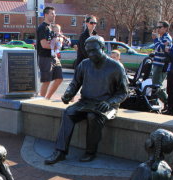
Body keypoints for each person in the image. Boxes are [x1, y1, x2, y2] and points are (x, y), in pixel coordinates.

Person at [45, 36, 128, 164]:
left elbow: (123, 92)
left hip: (106, 104)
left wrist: (109, 102)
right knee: (68, 113)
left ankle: (90, 152)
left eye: (94, 51)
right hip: (86, 102)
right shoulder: (84, 64)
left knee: (92, 117)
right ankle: (60, 151)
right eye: (88, 51)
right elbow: (75, 83)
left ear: (103, 49)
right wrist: (68, 94)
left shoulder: (116, 67)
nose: (91, 54)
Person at [36, 6, 64, 100]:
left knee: (59, 78)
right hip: (45, 57)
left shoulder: (52, 27)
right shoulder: (42, 27)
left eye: (54, 13)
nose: (54, 15)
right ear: (46, 14)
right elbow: (44, 44)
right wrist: (57, 46)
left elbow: (58, 38)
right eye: (52, 13)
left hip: (54, 57)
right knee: (46, 81)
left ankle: (46, 98)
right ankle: (40, 102)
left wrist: (60, 41)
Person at [152, 21, 172, 110]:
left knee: (156, 85)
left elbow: (159, 48)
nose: (158, 29)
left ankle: (167, 102)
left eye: (160, 27)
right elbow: (159, 48)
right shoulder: (162, 38)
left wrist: (155, 39)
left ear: (166, 28)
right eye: (157, 27)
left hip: (160, 65)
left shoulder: (166, 38)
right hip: (158, 64)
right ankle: (159, 102)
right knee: (156, 85)